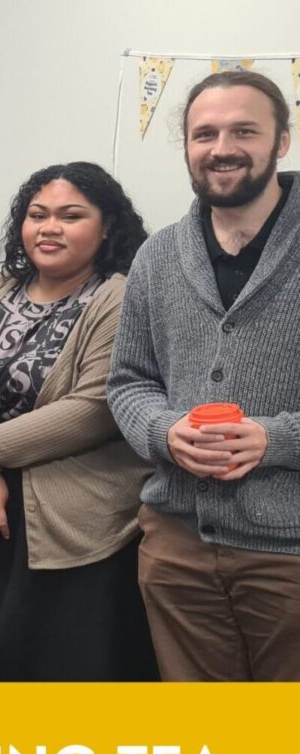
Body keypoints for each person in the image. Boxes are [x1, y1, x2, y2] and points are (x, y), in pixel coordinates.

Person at [108, 70, 300, 681]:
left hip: (289, 551)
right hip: (176, 544)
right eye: (204, 134)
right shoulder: (157, 256)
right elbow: (129, 381)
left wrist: (276, 439)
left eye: (244, 130)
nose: (222, 148)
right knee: (207, 748)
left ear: (282, 141)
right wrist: (165, 432)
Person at [0, 161, 154, 682]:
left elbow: (93, 409)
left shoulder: (118, 295)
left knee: (53, 667)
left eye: (70, 215)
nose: (50, 227)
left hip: (80, 511)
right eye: (37, 214)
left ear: (106, 226)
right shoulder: (0, 287)